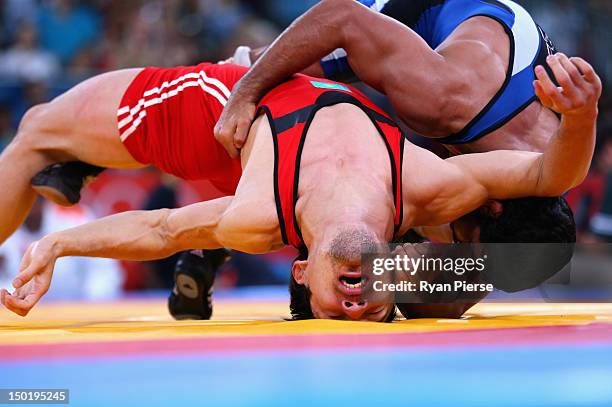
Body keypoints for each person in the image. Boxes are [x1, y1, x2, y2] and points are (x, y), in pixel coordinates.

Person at [0, 56, 597, 320]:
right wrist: (582, 116)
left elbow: (159, 229)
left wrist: (57, 246)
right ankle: (79, 167)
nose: (357, 304)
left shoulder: (256, 219)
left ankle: (72, 163)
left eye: (341, 310)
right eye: (370, 311)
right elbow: (551, 175)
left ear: (302, 274)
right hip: (302, 88)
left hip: (226, 113)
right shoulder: (430, 187)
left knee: (35, 134)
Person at [214, 0, 597, 159]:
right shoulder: (439, 102)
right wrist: (244, 91)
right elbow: (340, 16)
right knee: (242, 76)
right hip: (413, 12)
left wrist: (586, 115)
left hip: (482, 32)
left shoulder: (564, 159)